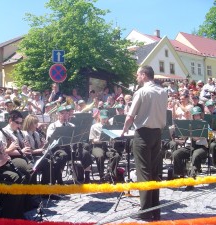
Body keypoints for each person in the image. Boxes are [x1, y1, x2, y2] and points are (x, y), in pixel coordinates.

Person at [121, 65, 168, 221]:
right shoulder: (163, 91)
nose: (136, 77)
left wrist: (124, 130)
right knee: (155, 172)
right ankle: (156, 209)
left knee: (143, 172)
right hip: (157, 134)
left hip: (143, 134)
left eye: (137, 75)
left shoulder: (141, 92)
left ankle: (146, 211)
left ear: (144, 75)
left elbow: (130, 116)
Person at [46, 106, 93, 184]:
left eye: (67, 113)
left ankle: (87, 178)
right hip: (59, 148)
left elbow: (77, 138)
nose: (65, 115)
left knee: (85, 153)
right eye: (62, 113)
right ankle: (59, 179)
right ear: (58, 115)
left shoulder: (71, 125)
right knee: (61, 156)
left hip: (71, 148)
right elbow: (50, 139)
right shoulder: (53, 126)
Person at [172, 106, 208, 191]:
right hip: (190, 146)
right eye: (194, 115)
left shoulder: (204, 124)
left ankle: (191, 181)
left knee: (195, 155)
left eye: (198, 115)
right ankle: (180, 174)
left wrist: (192, 134)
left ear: (200, 115)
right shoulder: (190, 124)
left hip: (201, 147)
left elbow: (197, 138)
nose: (196, 117)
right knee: (176, 154)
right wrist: (180, 131)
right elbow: (184, 138)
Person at [89, 109, 122, 182]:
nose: (104, 120)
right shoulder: (94, 126)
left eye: (106, 118)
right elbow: (92, 140)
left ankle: (109, 173)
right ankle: (101, 175)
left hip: (107, 148)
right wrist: (100, 140)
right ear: (99, 117)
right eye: (103, 118)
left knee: (116, 156)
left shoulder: (111, 127)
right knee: (100, 155)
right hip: (98, 146)